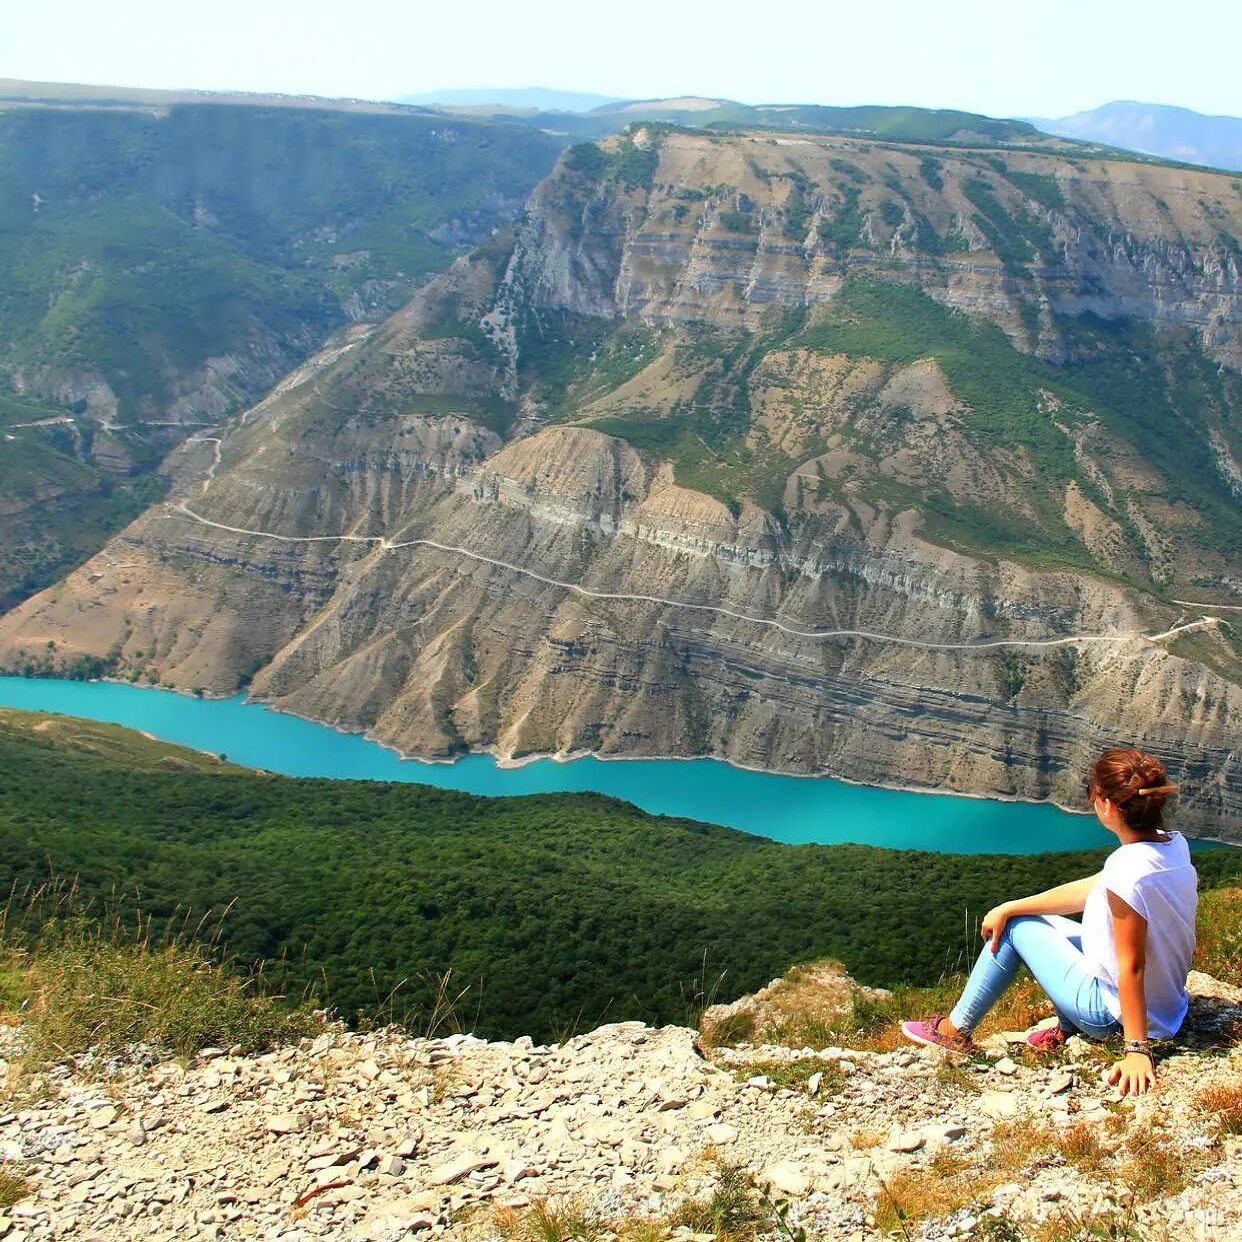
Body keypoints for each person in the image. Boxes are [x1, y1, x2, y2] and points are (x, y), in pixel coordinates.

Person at [901, 747, 1197, 1097]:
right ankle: (1068, 1027)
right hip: (1168, 1007)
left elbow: (1130, 964)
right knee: (1028, 919)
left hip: (1113, 1016)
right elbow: (1096, 889)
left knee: (1015, 932)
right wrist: (1013, 905)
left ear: (1106, 805)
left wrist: (1137, 1050)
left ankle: (954, 1031)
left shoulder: (1127, 869)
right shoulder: (1172, 846)